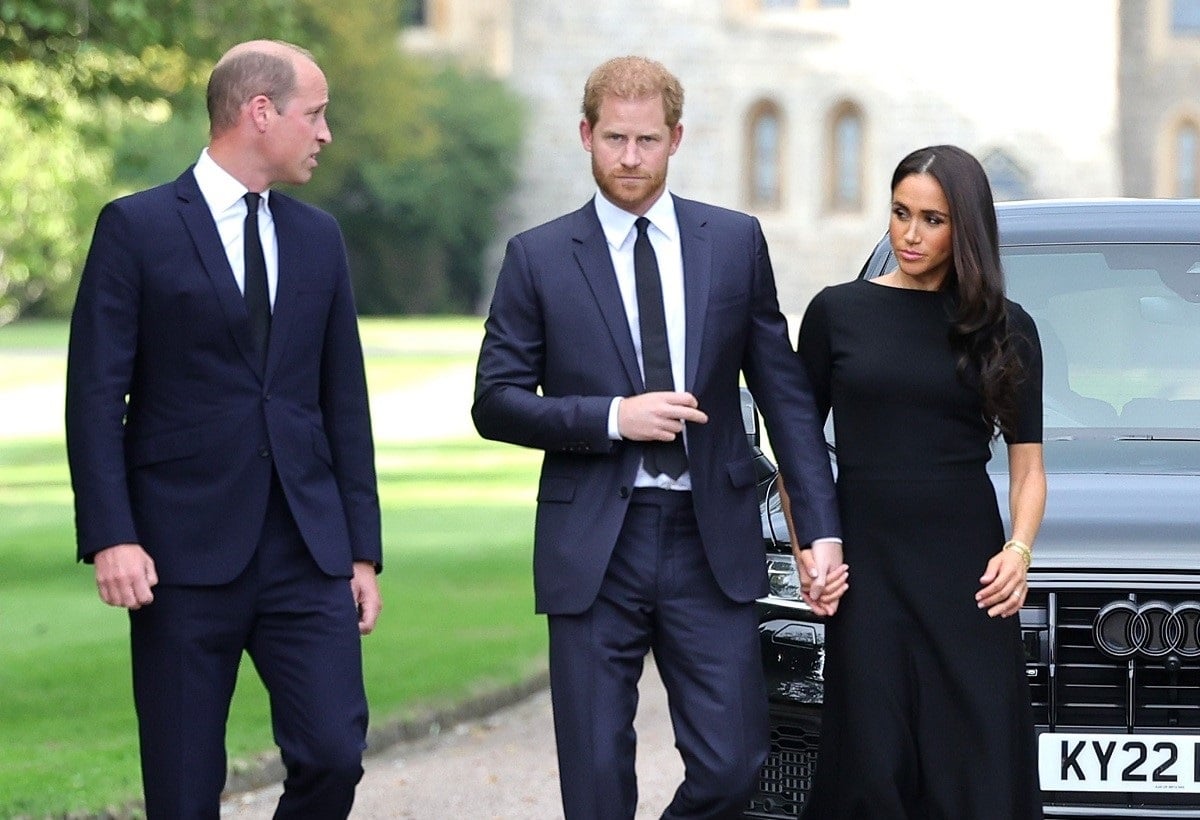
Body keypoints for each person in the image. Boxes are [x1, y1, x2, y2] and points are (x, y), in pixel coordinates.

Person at [472, 55, 843, 820]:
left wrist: (822, 532)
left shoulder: (734, 243)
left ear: (677, 138)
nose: (630, 158)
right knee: (597, 781)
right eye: (614, 138)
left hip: (709, 540)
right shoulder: (536, 257)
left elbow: (788, 401)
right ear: (585, 135)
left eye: (646, 140)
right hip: (593, 545)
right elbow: (495, 402)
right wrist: (612, 417)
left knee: (734, 765)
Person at [64, 40, 382, 819]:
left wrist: (362, 551)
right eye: (316, 114)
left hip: (306, 551)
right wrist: (111, 535)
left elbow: (344, 402)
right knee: (181, 789)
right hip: (177, 553)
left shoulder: (319, 238)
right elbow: (95, 397)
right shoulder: (135, 228)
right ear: (260, 112)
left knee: (336, 755)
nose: (326, 133)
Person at [783, 144, 1046, 819]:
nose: (910, 234)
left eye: (932, 219)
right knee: (872, 765)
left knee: (976, 765)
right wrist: (809, 548)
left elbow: (1028, 468)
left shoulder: (1006, 329)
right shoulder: (836, 313)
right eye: (901, 213)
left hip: (969, 576)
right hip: (868, 572)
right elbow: (799, 454)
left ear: (966, 229)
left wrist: (1018, 551)